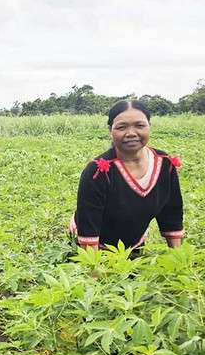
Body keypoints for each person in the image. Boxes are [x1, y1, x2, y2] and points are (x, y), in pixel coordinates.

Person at [71, 99, 183, 251]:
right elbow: (89, 232)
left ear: (150, 126)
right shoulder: (98, 171)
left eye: (139, 125)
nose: (131, 133)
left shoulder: (165, 164)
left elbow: (172, 214)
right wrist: (95, 273)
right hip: (94, 248)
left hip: (134, 245)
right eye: (122, 127)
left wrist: (181, 264)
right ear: (110, 130)